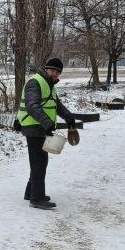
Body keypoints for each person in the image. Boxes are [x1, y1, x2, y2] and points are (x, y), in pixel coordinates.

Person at [16, 56, 77, 209]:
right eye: (53, 70)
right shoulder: (35, 82)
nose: (55, 73)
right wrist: (47, 123)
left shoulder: (49, 84)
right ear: (46, 69)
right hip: (33, 126)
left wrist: (69, 118)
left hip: (40, 126)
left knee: (39, 161)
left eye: (58, 72)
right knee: (39, 162)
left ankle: (31, 192)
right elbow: (32, 106)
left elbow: (56, 105)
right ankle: (37, 198)